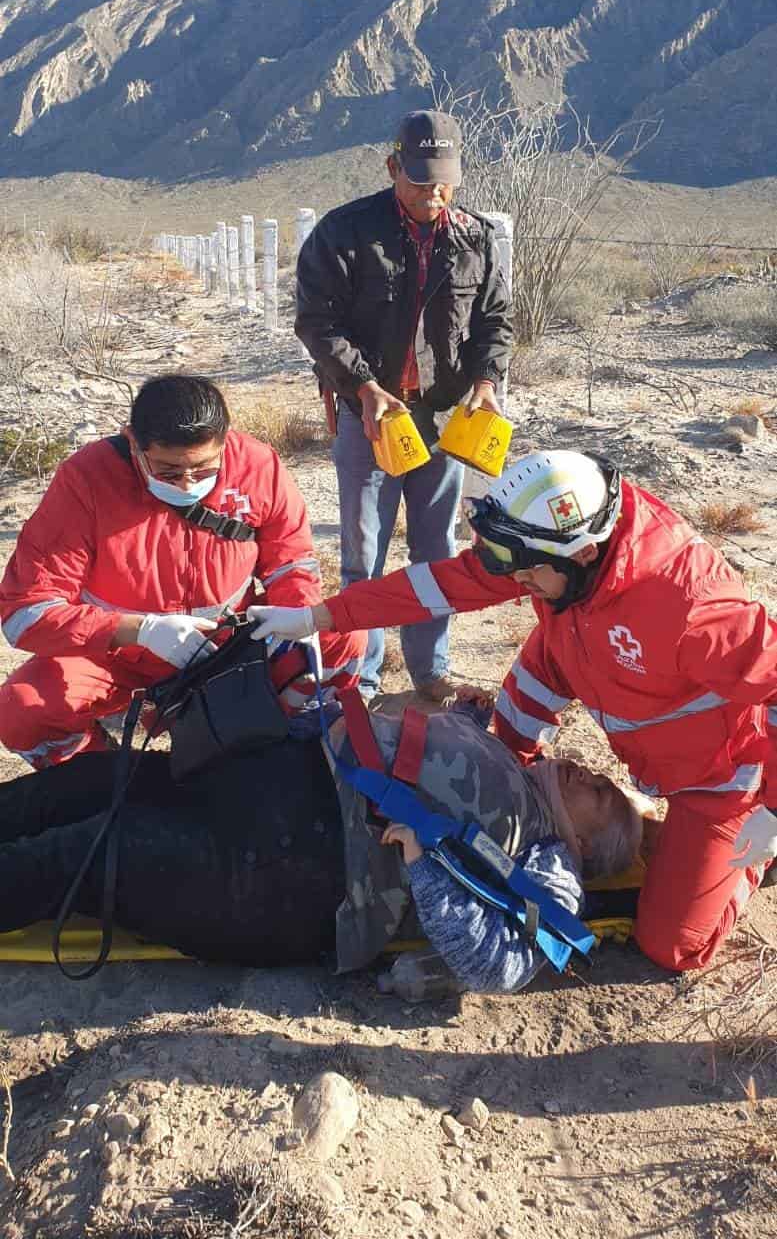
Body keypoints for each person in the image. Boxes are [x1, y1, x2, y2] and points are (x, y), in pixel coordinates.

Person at [251, 449, 777, 974]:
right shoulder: (550, 546)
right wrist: (320, 616)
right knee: (513, 740)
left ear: (584, 554)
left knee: (674, 946)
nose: (516, 584)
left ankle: (758, 858)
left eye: (526, 575)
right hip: (587, 656)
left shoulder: (692, 608)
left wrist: (772, 809)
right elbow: (442, 586)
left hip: (719, 776)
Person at [0, 702, 640, 991]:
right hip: (271, 785)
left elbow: (497, 967)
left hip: (289, 876)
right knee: (87, 783)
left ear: (584, 843)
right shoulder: (511, 761)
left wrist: (425, 865)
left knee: (86, 852)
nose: (594, 777)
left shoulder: (550, 862)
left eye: (604, 797)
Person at [0, 374, 363, 769]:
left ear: (226, 442)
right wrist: (139, 630)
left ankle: (283, 744)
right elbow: (25, 613)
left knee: (345, 633)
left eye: (206, 470)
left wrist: (296, 614)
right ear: (133, 442)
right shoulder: (86, 480)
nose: (188, 482)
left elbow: (291, 562)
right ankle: (106, 780)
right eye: (169, 472)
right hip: (121, 658)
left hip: (230, 645)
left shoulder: (257, 466)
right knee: (20, 711)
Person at [295, 108, 512, 702]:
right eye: (418, 179)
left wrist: (487, 383)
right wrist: (364, 388)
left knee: (437, 553)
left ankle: (430, 672)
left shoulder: (477, 237)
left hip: (444, 421)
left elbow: (494, 322)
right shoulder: (343, 233)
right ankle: (358, 678)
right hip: (368, 418)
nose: (433, 191)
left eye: (444, 178)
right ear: (393, 167)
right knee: (362, 554)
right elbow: (318, 325)